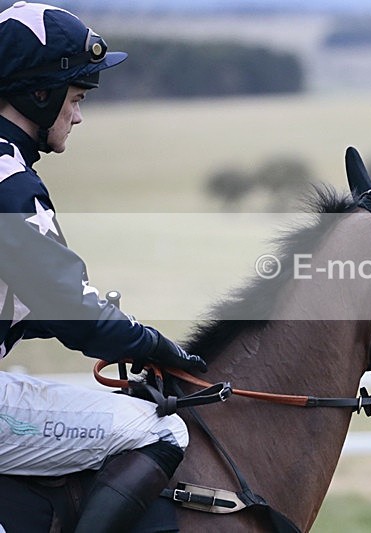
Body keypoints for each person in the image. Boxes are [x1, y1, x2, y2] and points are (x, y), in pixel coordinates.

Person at [0, 2, 207, 531]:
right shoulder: (11, 182)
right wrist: (153, 344)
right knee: (162, 430)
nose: (79, 116)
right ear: (39, 94)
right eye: (76, 98)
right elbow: (72, 310)